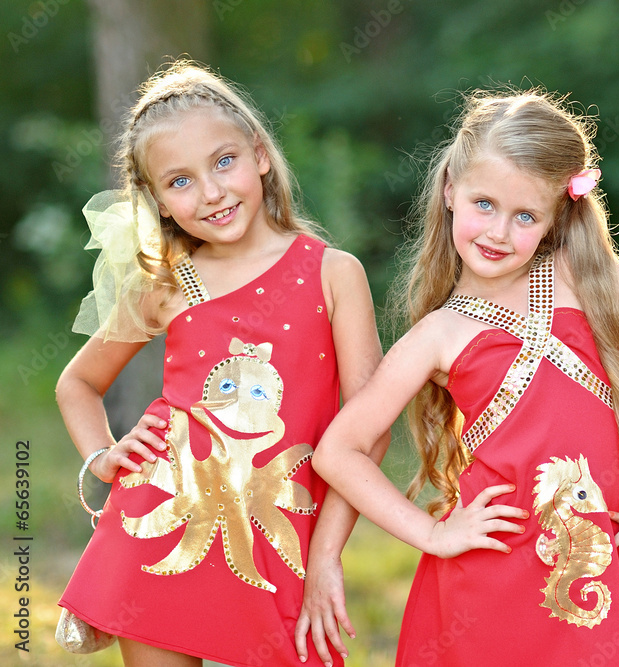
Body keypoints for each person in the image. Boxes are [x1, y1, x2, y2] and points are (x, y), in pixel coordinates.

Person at [311, 90, 619, 666]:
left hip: (597, 555)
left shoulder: (585, 275)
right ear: (450, 191)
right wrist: (433, 534)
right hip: (492, 574)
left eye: (525, 216)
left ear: (554, 219)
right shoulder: (438, 334)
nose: (498, 232)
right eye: (484, 204)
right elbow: (337, 452)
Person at [55, 60, 386, 667]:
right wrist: (102, 457)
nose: (210, 192)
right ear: (155, 200)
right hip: (160, 530)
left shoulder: (334, 274)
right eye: (179, 181)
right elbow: (77, 382)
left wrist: (325, 558)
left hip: (281, 539)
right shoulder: (166, 286)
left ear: (260, 155)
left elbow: (370, 430)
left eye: (224, 162)